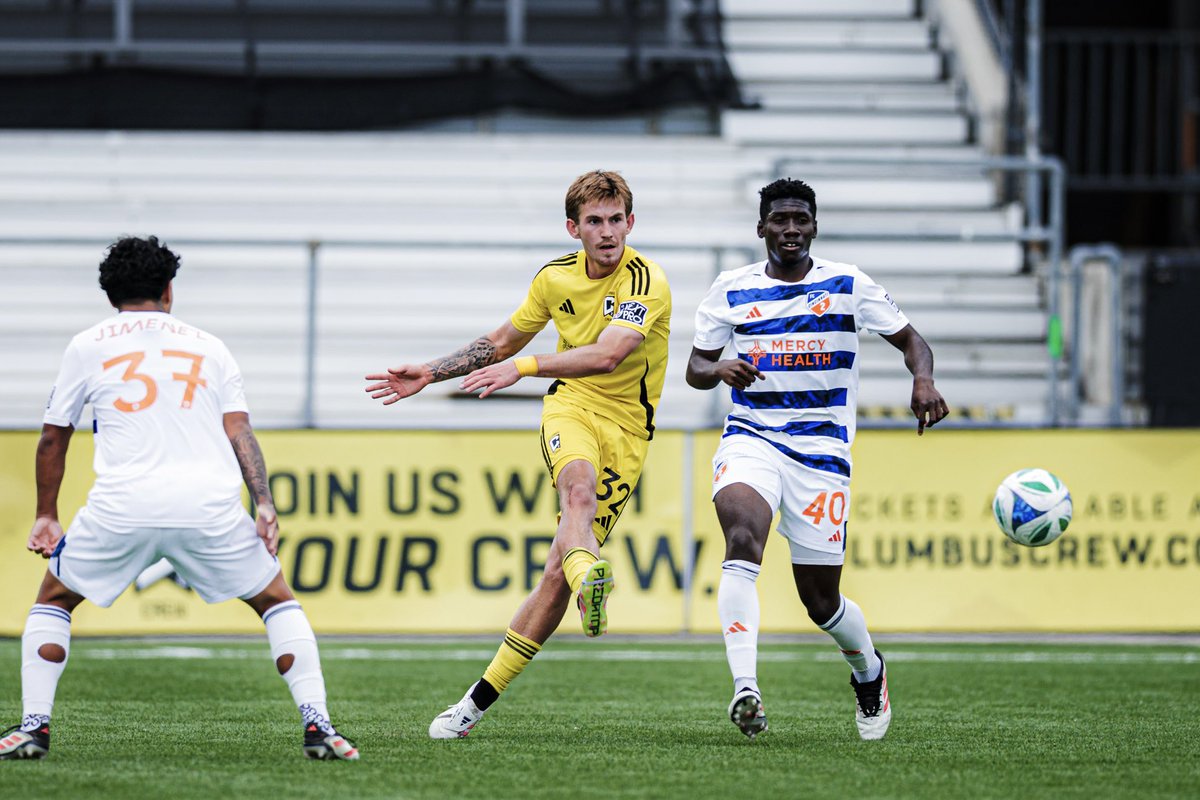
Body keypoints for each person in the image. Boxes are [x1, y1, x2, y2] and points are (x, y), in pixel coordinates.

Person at [0, 237, 358, 762]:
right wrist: (264, 503)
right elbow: (239, 430)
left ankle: (34, 727)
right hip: (207, 505)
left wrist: (46, 515)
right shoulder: (210, 346)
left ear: (110, 295)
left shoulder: (86, 345)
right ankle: (318, 725)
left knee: (54, 601)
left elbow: (54, 437)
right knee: (277, 601)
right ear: (169, 289)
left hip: (123, 505)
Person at [365, 170, 671, 739]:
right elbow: (503, 341)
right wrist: (430, 371)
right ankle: (590, 575)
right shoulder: (554, 278)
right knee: (576, 492)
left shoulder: (646, 280)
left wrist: (523, 367)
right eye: (595, 221)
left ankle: (476, 701)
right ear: (574, 228)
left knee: (555, 574)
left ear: (631, 222)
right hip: (572, 406)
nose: (607, 232)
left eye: (616, 220)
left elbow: (608, 355)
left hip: (629, 428)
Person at [685, 178, 948, 741]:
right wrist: (720, 368)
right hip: (752, 436)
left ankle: (869, 671)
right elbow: (695, 368)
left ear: (814, 228)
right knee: (742, 537)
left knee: (821, 601)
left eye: (800, 220)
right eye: (780, 220)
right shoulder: (731, 288)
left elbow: (913, 342)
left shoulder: (848, 283)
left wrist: (923, 380)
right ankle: (746, 688)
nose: (791, 229)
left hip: (822, 453)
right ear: (761, 228)